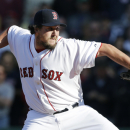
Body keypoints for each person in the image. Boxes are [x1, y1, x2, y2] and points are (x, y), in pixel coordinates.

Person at [0, 8, 130, 130]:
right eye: (49, 29)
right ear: (36, 29)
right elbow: (10, 31)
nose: (54, 33)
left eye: (57, 28)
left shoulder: (69, 47)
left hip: (76, 114)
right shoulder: (22, 39)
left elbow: (107, 48)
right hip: (39, 119)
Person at [0, 64, 15, 129]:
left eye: (0, 73)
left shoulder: (9, 87)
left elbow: (8, 103)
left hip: (3, 118)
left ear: (4, 75)